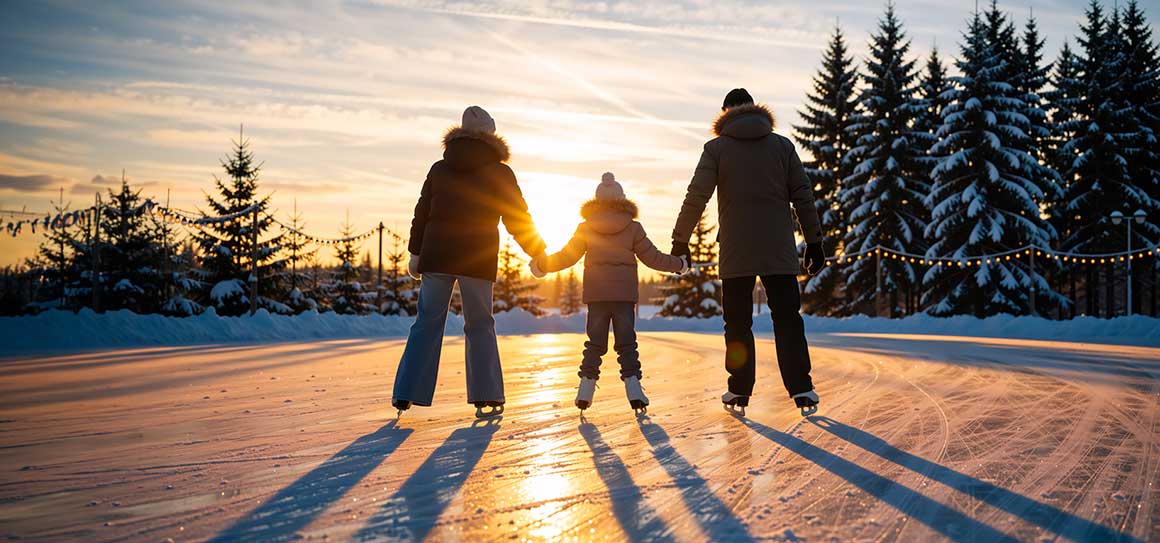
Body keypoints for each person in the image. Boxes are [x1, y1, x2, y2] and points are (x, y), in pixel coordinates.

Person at [670, 88, 827, 416]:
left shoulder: (716, 150)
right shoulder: (782, 146)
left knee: (738, 323)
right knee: (787, 319)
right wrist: (814, 241)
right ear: (754, 109)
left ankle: (739, 390)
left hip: (737, 251)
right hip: (778, 249)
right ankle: (802, 388)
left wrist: (680, 241)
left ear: (726, 112)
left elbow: (696, 196)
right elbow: (802, 195)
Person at [392, 106, 547, 419]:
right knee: (479, 325)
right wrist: (537, 250)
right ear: (490, 135)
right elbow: (517, 217)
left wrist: (415, 252)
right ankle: (486, 395)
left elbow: (421, 213)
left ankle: (406, 392)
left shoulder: (439, 168)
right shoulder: (500, 172)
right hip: (477, 258)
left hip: (437, 255)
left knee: (426, 322)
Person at [530, 172, 687, 415]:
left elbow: (567, 256)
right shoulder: (633, 228)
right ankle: (634, 390)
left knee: (595, 343)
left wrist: (543, 265)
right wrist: (679, 265)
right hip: (624, 297)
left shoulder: (585, 227)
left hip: (597, 296)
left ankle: (585, 389)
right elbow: (653, 258)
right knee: (626, 344)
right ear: (622, 200)